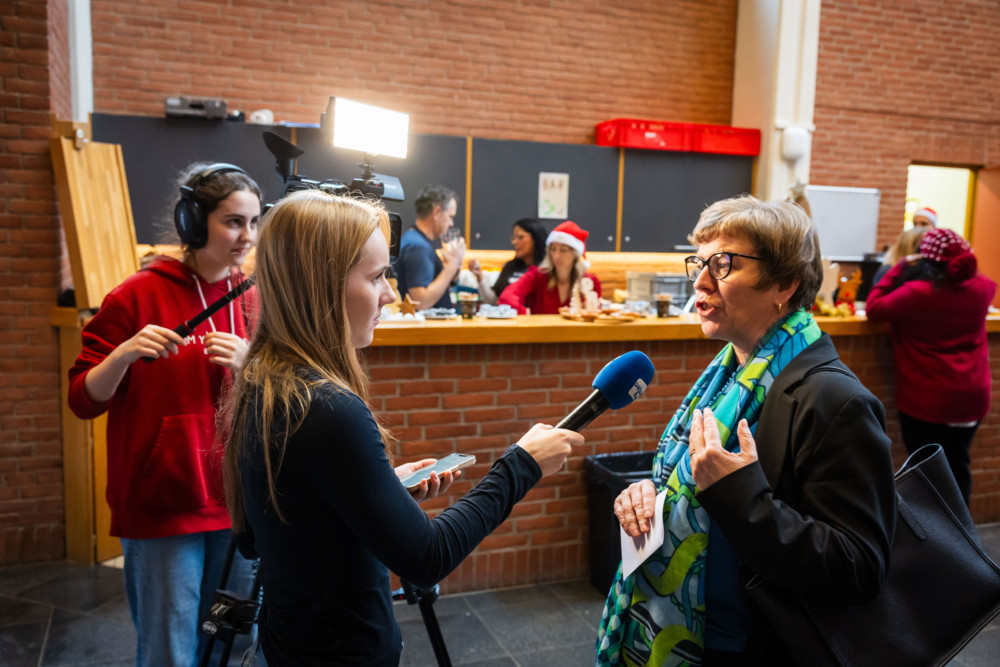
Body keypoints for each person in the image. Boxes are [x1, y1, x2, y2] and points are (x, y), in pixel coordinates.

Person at [221, 190, 582, 666]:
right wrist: (523, 464)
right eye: (376, 277)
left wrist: (376, 492)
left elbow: (262, 533)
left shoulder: (265, 380)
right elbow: (427, 556)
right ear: (321, 286)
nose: (391, 293)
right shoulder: (329, 409)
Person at [596, 196, 896, 665]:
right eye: (699, 261)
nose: (699, 280)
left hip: (751, 646)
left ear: (784, 282)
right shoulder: (729, 376)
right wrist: (648, 495)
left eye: (723, 264)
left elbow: (858, 568)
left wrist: (740, 495)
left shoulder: (835, 400)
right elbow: (689, 486)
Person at [68, 162, 262, 666]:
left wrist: (252, 367)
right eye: (233, 221)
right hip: (162, 504)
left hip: (235, 499)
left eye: (254, 222)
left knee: (227, 645)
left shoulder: (254, 298)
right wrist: (123, 355)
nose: (247, 236)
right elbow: (82, 399)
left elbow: (277, 397)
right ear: (193, 223)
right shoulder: (136, 295)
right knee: (169, 651)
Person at [866, 228, 995, 504]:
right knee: (959, 465)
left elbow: (874, 306)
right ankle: (962, 538)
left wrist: (900, 266)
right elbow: (982, 280)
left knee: (924, 473)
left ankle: (930, 542)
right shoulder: (982, 289)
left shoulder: (916, 294)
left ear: (925, 260)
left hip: (928, 401)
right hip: (972, 398)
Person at [498, 220, 602, 315]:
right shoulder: (537, 276)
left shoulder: (590, 282)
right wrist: (524, 314)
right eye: (553, 249)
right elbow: (508, 296)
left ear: (575, 254)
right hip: (540, 335)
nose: (556, 256)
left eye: (563, 250)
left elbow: (595, 314)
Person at [393, 184, 465, 310]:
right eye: (450, 216)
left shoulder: (414, 240)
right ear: (436, 212)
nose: (451, 223)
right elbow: (420, 302)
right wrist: (452, 264)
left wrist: (452, 273)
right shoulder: (418, 247)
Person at [468, 217, 548, 304]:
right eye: (513, 238)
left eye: (520, 237)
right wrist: (480, 277)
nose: (515, 242)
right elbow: (495, 301)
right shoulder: (511, 267)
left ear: (535, 238)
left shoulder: (547, 270)